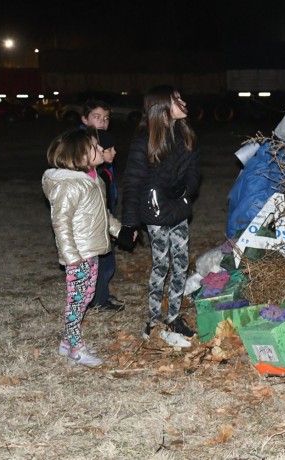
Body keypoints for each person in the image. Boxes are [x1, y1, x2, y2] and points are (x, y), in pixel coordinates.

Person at [42, 127, 136, 367]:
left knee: (85, 297)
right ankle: (76, 348)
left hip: (91, 250)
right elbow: (60, 223)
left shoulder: (93, 179)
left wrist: (119, 231)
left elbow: (101, 214)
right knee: (77, 301)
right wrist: (70, 256)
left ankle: (67, 341)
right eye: (94, 147)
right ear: (80, 156)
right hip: (79, 254)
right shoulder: (69, 185)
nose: (99, 149)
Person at [121, 85, 201, 340]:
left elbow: (194, 170)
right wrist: (130, 224)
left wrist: (186, 190)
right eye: (176, 98)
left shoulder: (184, 134)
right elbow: (132, 183)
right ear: (162, 108)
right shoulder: (144, 140)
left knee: (180, 267)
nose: (182, 101)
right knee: (161, 266)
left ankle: (174, 318)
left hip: (179, 209)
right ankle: (154, 321)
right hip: (156, 213)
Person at [226, 105, 285, 239]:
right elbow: (251, 209)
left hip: (267, 228)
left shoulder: (284, 163)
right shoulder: (265, 165)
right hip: (246, 235)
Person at [87, 129, 125, 312]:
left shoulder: (103, 173)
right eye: (109, 149)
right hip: (97, 228)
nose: (114, 152)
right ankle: (99, 301)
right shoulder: (96, 175)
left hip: (106, 223)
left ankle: (101, 296)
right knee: (101, 266)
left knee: (106, 264)